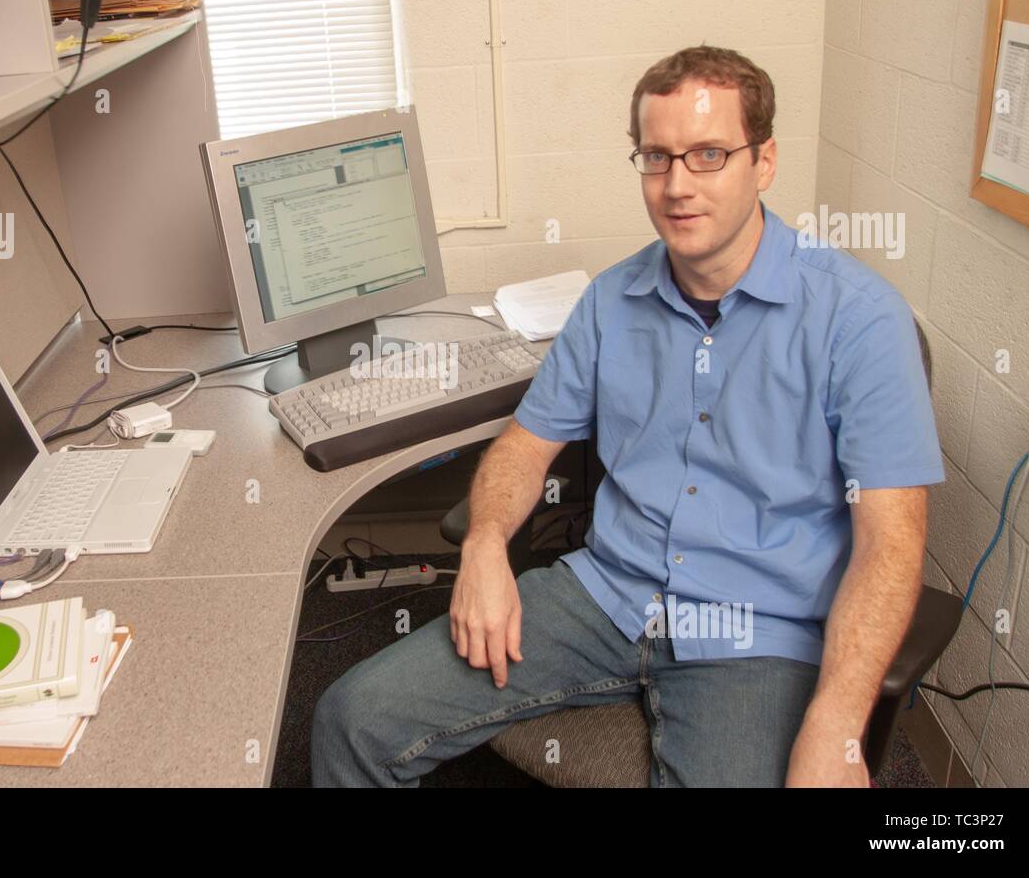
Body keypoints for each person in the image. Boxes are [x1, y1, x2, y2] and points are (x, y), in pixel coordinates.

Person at [311, 45, 945, 787]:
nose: (677, 185)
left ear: (763, 161)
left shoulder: (860, 320)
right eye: (656, 157)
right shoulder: (612, 300)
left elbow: (891, 547)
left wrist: (837, 722)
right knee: (352, 717)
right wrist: (484, 543)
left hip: (756, 634)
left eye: (708, 155)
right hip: (605, 596)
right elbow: (523, 446)